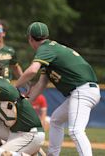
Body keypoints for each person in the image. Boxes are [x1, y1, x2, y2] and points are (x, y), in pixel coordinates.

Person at [14, 22, 101, 156]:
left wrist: (14, 86)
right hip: (84, 91)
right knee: (55, 120)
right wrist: (24, 104)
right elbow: (41, 84)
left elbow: (32, 71)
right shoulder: (51, 50)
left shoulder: (45, 49)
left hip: (82, 90)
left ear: (30, 39)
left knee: (75, 130)